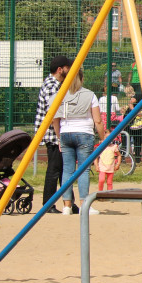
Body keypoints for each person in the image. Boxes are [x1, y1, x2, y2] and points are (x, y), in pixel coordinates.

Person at [52, 69, 106, 216]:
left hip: (65, 132)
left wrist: (58, 137)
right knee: (83, 170)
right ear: (81, 79)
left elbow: (54, 119)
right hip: (84, 133)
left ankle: (67, 206)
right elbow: (98, 120)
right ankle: (84, 204)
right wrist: (102, 138)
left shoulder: (60, 95)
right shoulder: (90, 95)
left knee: (67, 170)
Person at [36, 55, 71, 212]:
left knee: (62, 168)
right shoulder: (52, 86)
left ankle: (68, 202)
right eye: (67, 68)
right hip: (53, 134)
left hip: (55, 133)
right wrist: (59, 137)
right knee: (55, 169)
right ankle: (48, 204)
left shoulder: (54, 84)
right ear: (60, 69)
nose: (69, 71)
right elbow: (53, 113)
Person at [126, 92, 142, 160]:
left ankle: (137, 156)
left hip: (138, 122)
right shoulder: (139, 95)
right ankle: (123, 157)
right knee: (126, 138)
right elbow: (130, 103)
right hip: (130, 119)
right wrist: (135, 111)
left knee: (138, 139)